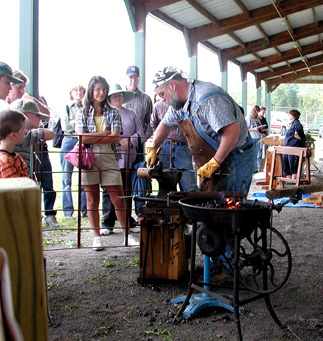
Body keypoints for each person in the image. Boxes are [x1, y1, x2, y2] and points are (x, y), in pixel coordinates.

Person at [148, 66, 255, 195]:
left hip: (237, 157)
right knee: (211, 202)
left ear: (172, 85)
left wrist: (215, 162)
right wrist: (153, 148)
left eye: (161, 94)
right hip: (218, 157)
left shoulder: (207, 99)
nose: (162, 99)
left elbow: (232, 131)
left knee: (232, 204)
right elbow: (165, 124)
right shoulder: (180, 105)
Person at [75, 76, 138, 250]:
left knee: (118, 198)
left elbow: (116, 136)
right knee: (92, 199)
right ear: (91, 91)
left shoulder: (113, 111)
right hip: (88, 157)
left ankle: (127, 234)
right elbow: (81, 138)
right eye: (97, 89)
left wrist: (94, 136)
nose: (101, 92)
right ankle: (97, 237)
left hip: (110, 156)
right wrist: (105, 133)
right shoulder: (82, 112)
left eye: (103, 89)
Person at [101, 66, 153, 229]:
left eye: (119, 95)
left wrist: (131, 141)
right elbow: (102, 132)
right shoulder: (105, 113)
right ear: (109, 98)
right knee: (109, 188)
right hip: (111, 156)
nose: (117, 97)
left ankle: (127, 218)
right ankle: (107, 221)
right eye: (114, 96)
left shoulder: (131, 113)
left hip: (129, 157)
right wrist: (117, 141)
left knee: (127, 188)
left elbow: (141, 131)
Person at [9, 99, 58, 227]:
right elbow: (51, 134)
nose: (40, 120)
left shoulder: (14, 135)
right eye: (38, 116)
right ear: (26, 115)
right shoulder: (25, 135)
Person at [150, 96, 198, 192]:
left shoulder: (186, 106)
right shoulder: (158, 106)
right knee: (165, 182)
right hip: (164, 146)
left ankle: (190, 204)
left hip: (183, 146)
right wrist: (160, 138)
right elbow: (153, 124)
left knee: (188, 183)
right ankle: (167, 205)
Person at [60, 84, 87, 219]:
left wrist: (75, 122)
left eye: (81, 91)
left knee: (84, 177)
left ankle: (85, 210)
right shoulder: (66, 107)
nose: (78, 93)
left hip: (81, 141)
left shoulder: (86, 107)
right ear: (71, 93)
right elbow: (65, 125)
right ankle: (68, 211)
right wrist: (78, 123)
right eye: (75, 90)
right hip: (68, 140)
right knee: (66, 178)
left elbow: (87, 124)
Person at [0, 109, 29, 178]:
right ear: (13, 135)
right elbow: (16, 187)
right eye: (23, 129)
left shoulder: (15, 157)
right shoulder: (5, 162)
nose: (25, 132)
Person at [282, 110, 306, 181]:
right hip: (288, 146)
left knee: (293, 163)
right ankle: (289, 180)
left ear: (293, 116)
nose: (288, 116)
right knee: (286, 162)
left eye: (290, 115)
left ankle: (294, 180)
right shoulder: (292, 124)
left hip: (294, 147)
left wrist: (295, 139)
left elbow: (298, 135)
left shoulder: (297, 124)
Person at [245, 105, 262, 173]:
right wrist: (254, 129)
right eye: (257, 112)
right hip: (251, 137)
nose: (257, 114)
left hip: (258, 137)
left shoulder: (257, 118)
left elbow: (259, 125)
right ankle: (250, 168)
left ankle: (255, 168)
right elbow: (246, 128)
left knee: (256, 153)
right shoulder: (248, 117)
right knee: (251, 153)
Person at [258, 106, 269, 171]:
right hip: (259, 135)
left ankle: (262, 167)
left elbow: (267, 128)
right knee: (259, 151)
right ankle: (258, 167)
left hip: (264, 134)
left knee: (264, 151)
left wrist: (266, 131)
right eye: (262, 112)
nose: (263, 113)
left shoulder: (264, 119)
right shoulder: (256, 119)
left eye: (264, 112)